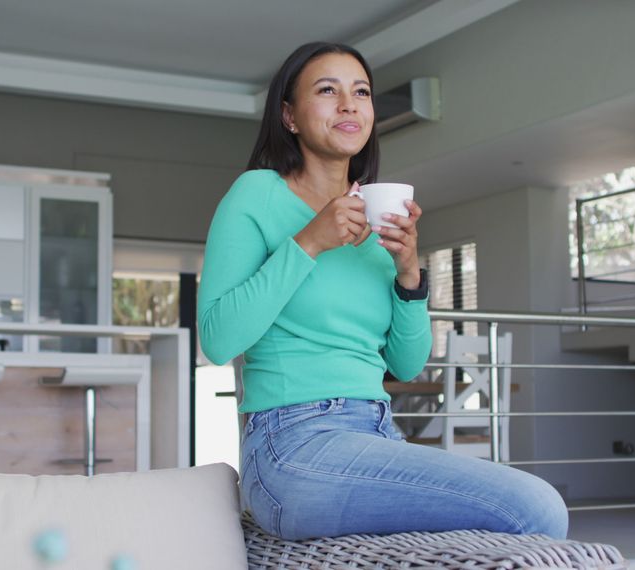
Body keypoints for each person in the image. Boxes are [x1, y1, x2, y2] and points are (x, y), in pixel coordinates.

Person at [198, 41, 568, 541]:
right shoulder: (258, 194)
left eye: (361, 92)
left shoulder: (373, 221)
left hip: (375, 429)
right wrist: (310, 242)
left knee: (519, 518)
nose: (349, 103)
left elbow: (408, 363)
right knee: (536, 508)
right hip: (291, 446)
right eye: (327, 90)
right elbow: (218, 340)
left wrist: (409, 272)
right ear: (289, 115)